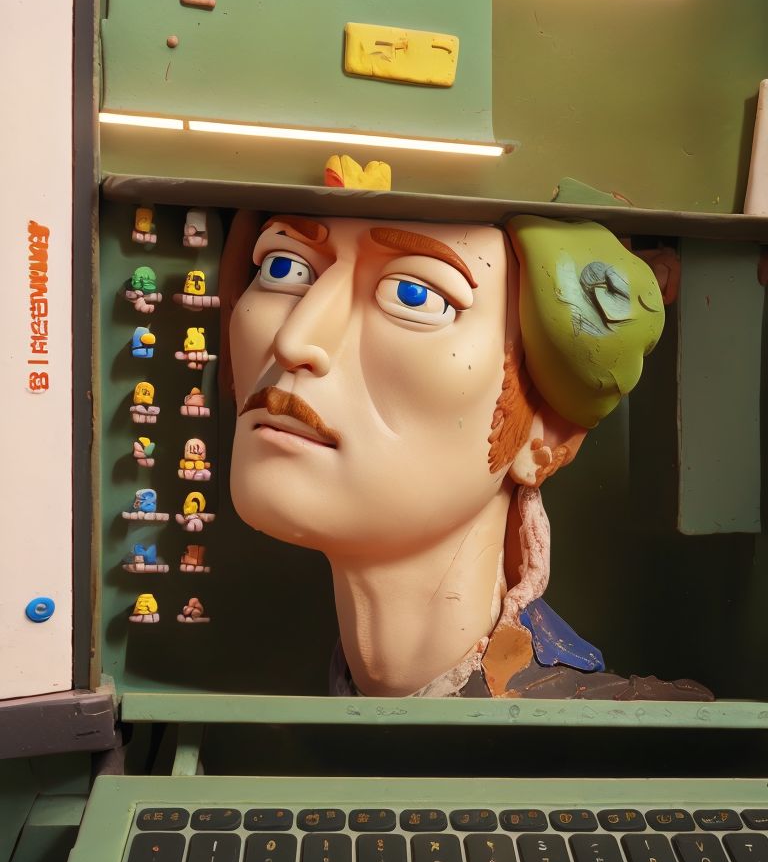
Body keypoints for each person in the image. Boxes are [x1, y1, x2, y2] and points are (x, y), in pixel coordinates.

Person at [218, 210, 712, 702]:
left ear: (543, 430)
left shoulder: (638, 741)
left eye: (415, 295)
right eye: (282, 267)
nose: (293, 341)